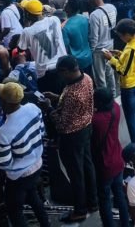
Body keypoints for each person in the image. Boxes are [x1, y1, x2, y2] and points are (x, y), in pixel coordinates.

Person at [42, 55, 98, 224]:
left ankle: (80, 210)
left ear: (65, 71)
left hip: (72, 135)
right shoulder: (86, 78)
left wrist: (49, 107)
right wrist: (58, 97)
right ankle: (93, 202)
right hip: (86, 127)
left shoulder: (72, 94)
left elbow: (61, 124)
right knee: (87, 165)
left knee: (76, 173)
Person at [0, 81, 49, 227]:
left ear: (4, 102)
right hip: (37, 166)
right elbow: (42, 131)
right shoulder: (33, 108)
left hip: (19, 177)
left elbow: (4, 163)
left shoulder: (4, 132)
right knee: (33, 196)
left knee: (14, 211)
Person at [104, 19, 135, 151]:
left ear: (127, 34)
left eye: (121, 35)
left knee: (131, 117)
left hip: (130, 86)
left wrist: (111, 59)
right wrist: (120, 54)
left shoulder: (131, 49)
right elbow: (131, 61)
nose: (121, 38)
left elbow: (123, 71)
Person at [91, 88, 131, 227]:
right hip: (118, 160)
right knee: (119, 195)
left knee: (105, 200)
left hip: (105, 165)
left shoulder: (95, 120)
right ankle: (125, 223)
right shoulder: (115, 108)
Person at [18, 0, 68, 93]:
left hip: (46, 73)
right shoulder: (55, 19)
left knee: (49, 101)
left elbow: (21, 49)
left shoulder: (27, 31)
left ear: (27, 15)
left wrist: (26, 23)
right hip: (64, 67)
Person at [89, 0, 118, 97]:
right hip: (110, 44)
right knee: (109, 71)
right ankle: (113, 94)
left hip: (99, 49)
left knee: (100, 76)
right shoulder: (112, 7)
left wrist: (91, 51)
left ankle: (105, 99)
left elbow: (94, 37)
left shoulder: (94, 15)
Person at [61, 0, 93, 77]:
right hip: (88, 56)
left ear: (70, 8)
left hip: (77, 62)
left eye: (66, 4)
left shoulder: (65, 28)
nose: (64, 6)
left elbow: (66, 48)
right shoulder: (84, 18)